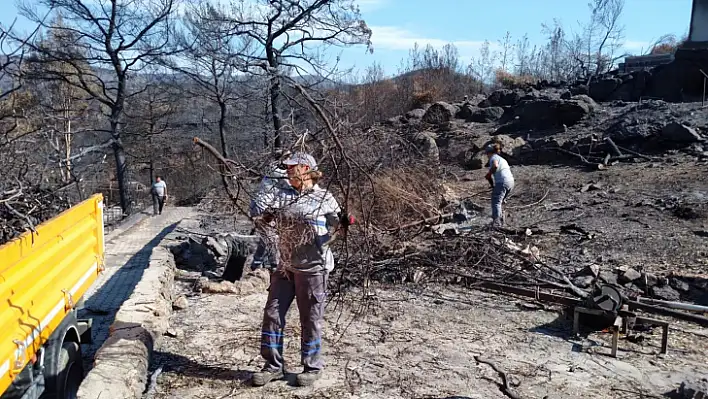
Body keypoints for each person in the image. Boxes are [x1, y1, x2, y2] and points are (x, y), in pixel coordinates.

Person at [249, 152, 353, 388]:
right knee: (272, 314)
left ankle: (312, 367)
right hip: (285, 265)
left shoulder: (324, 197)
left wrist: (329, 237)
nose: (287, 171)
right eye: (286, 167)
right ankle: (273, 366)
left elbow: (339, 229)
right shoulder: (282, 195)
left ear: (305, 168)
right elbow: (259, 214)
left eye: (292, 167)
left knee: (310, 318)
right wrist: (266, 214)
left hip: (313, 268)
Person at [250, 150, 292, 271]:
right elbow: (293, 185)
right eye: (288, 158)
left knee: (266, 237)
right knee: (271, 238)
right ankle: (275, 266)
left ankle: (256, 263)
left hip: (262, 206)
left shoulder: (272, 170)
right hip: (263, 208)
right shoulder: (278, 172)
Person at [484, 143, 514, 227]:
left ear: (489, 153)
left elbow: (495, 166)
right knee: (500, 202)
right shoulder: (502, 159)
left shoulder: (493, 158)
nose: (487, 156)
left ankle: (497, 223)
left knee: (496, 202)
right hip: (510, 182)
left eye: (487, 154)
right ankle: (502, 220)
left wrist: (489, 174)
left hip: (503, 182)